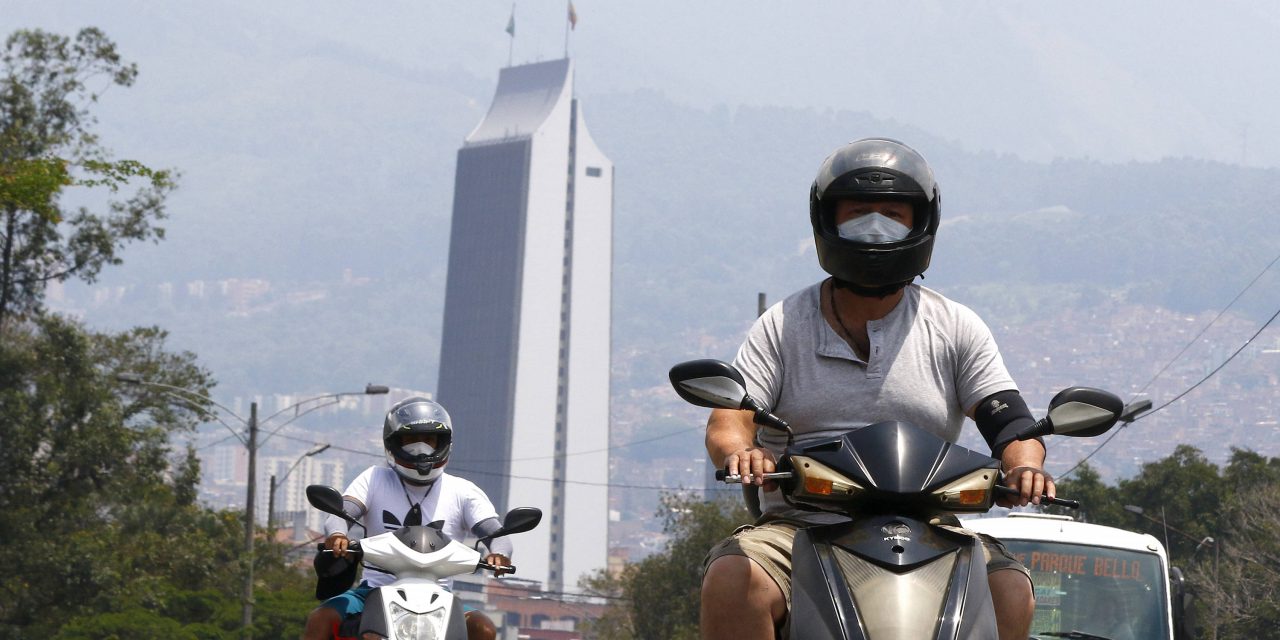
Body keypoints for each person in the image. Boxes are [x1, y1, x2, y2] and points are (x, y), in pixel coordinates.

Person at [700, 138, 1052, 640]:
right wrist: (742, 453)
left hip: (934, 527)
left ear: (921, 224)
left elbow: (1010, 420)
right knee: (733, 577)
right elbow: (730, 418)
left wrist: (1025, 466)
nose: (874, 225)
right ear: (826, 221)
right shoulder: (783, 324)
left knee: (1009, 589)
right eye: (859, 211)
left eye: (892, 213)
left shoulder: (955, 326)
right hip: (802, 524)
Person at [302, 397, 513, 640]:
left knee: (483, 629)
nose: (421, 450)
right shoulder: (374, 479)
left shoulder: (463, 491)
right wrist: (338, 535)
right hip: (372, 590)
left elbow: (497, 534)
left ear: (444, 443)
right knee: (321, 619)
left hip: (440, 596)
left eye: (430, 441)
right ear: (393, 444)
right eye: (411, 441)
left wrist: (499, 553)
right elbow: (340, 514)